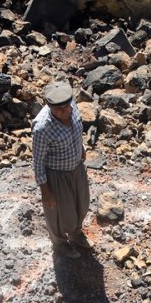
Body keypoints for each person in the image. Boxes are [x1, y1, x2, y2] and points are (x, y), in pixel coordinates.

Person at [31, 81, 92, 259]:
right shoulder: (42, 128)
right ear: (49, 105)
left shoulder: (71, 105)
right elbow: (38, 161)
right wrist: (45, 191)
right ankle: (59, 243)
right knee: (57, 213)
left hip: (76, 167)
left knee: (82, 203)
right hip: (56, 174)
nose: (65, 111)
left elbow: (77, 129)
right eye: (59, 109)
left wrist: (81, 148)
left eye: (67, 107)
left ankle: (76, 234)